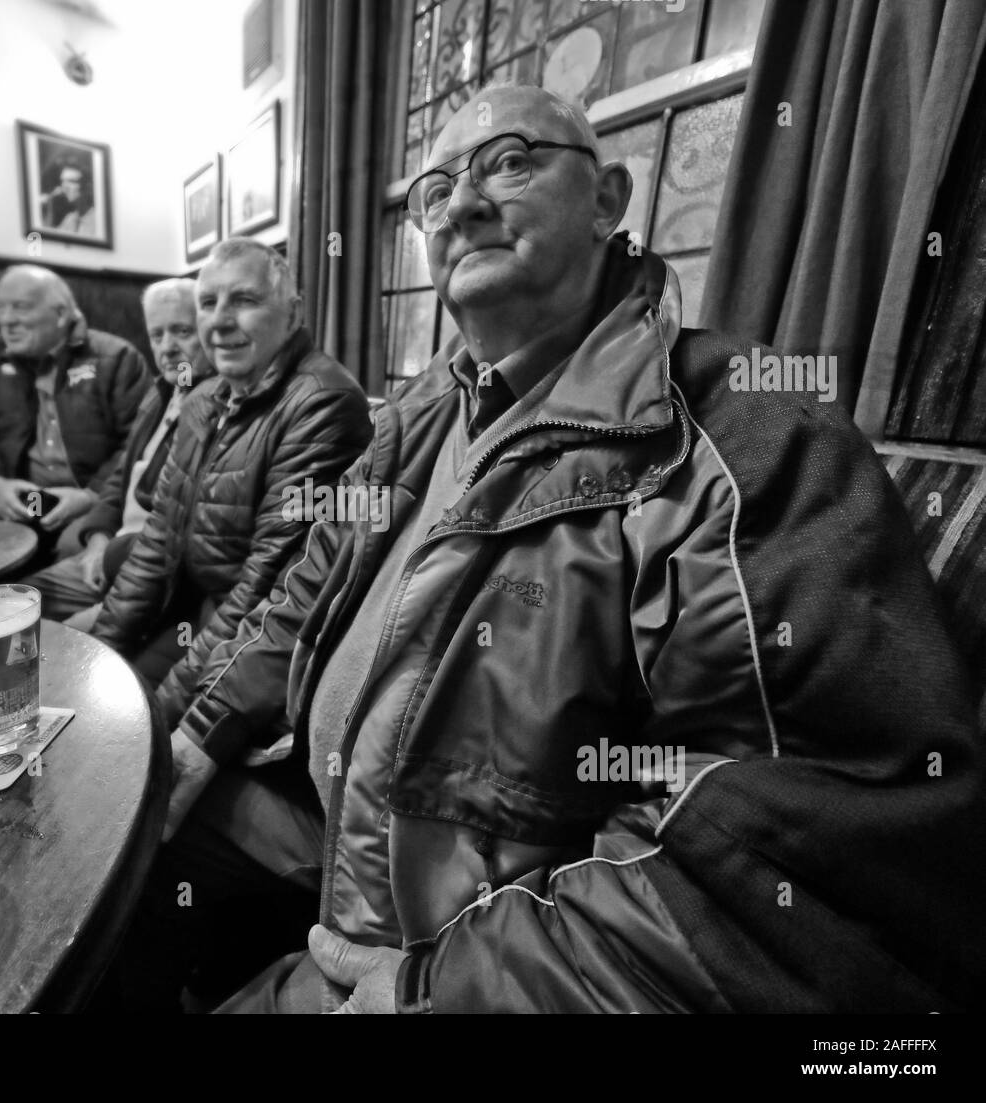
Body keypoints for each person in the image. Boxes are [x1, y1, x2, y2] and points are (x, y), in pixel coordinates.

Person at [167, 85, 986, 1014]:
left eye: (509, 162)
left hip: (469, 944)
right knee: (119, 851)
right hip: (327, 836)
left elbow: (794, 856)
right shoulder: (424, 409)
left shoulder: (747, 438)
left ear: (608, 200)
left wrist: (440, 989)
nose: (463, 204)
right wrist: (198, 731)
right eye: (435, 192)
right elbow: (307, 585)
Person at [90, 238, 372, 1011]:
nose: (219, 320)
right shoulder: (207, 396)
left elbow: (267, 596)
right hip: (202, 629)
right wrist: (93, 654)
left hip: (258, 658)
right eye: (208, 301)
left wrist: (167, 714)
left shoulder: (322, 401)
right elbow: (152, 549)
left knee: (120, 780)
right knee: (70, 731)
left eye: (242, 300)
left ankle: (121, 972)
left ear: (292, 309)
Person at [26, 278, 215, 627]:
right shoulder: (159, 394)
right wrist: (98, 542)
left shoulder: (216, 406)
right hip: (112, 555)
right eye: (157, 335)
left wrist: (114, 560)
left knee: (58, 643)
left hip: (149, 579)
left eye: (182, 331)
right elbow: (120, 480)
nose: (168, 347)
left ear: (207, 328)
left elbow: (185, 537)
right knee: (17, 606)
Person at [0, 265, 152, 555]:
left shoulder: (117, 357)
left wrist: (91, 495)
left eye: (20, 307)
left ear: (61, 314)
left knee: (71, 549)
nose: (6, 320)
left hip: (92, 501)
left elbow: (138, 443)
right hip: (23, 502)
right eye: (0, 308)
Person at [43, 164, 95, 235]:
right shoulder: (69, 219)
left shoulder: (98, 218)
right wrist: (51, 205)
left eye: (71, 181)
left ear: (87, 185)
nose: (64, 186)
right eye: (62, 181)